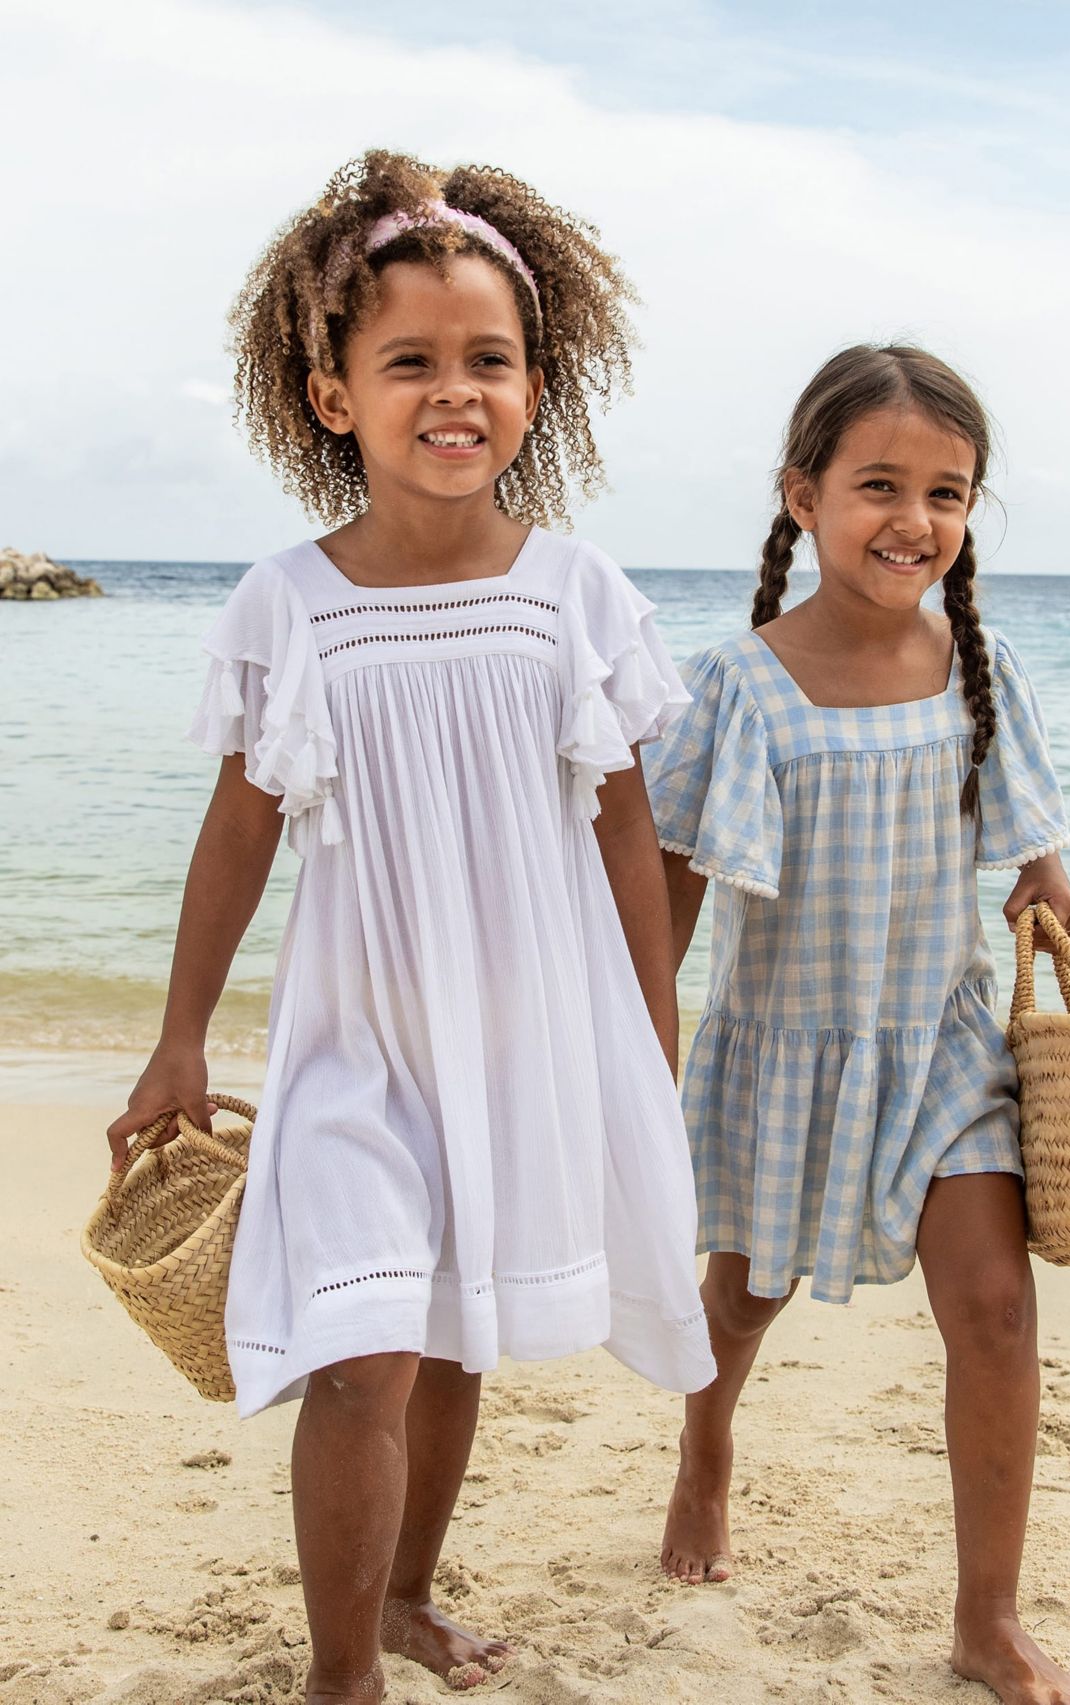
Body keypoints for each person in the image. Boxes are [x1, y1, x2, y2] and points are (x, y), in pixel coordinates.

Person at [106, 150, 715, 1704]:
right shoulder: (288, 602)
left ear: (534, 385)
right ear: (333, 396)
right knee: (363, 1347)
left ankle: (406, 1594)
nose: (457, 391)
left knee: (454, 1342)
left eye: (490, 360)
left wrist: (650, 1032)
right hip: (357, 1041)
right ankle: (339, 1677)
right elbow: (241, 826)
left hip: (521, 1035)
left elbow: (626, 830)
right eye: (412, 362)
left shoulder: (573, 593)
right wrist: (177, 1035)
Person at [645, 345, 1070, 1705]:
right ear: (802, 495)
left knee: (998, 1312)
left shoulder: (979, 664)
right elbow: (669, 883)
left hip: (943, 1046)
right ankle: (706, 1448)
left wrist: (1051, 891)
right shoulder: (739, 682)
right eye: (880, 484)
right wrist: (639, 1035)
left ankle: (986, 1617)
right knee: (740, 1301)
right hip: (785, 1044)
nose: (916, 518)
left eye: (948, 492)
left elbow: (1039, 864)